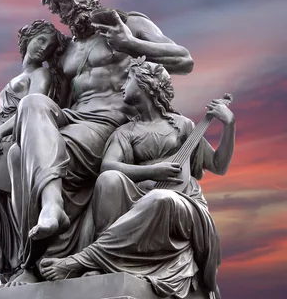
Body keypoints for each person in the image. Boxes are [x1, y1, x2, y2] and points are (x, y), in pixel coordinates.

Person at [0, 0, 195, 286]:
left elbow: (184, 60)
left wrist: (131, 44)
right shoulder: (65, 53)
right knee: (20, 143)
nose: (74, 2)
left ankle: (46, 236)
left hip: (110, 123)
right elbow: (44, 95)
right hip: (74, 120)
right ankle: (43, 227)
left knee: (25, 157)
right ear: (58, 9)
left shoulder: (129, 23)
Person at [39, 57, 235, 299]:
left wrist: (229, 125)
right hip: (141, 197)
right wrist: (152, 171)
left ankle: (83, 259)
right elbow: (108, 166)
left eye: (128, 78)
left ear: (146, 84)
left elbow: (218, 164)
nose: (122, 85)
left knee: (162, 199)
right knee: (109, 179)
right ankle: (104, 264)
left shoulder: (182, 126)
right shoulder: (126, 132)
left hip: (181, 204)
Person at [0, 20, 69, 292]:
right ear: (27, 38)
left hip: (14, 146)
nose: (44, 48)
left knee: (0, 211)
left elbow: (28, 110)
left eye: (50, 46)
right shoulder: (17, 78)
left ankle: (10, 269)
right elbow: (7, 112)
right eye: (41, 40)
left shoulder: (41, 76)